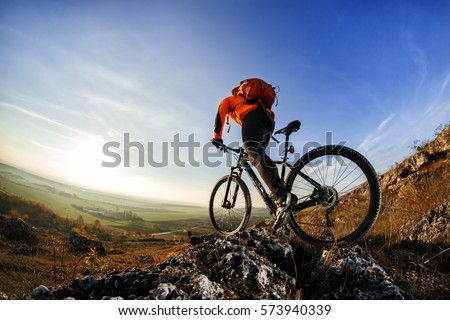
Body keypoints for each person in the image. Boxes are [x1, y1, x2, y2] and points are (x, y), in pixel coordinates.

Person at [211, 79, 297, 227]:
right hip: (268, 119)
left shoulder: (231, 100)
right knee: (260, 155)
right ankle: (279, 194)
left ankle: (281, 196)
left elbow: (220, 112)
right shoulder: (252, 102)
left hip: (254, 115)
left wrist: (217, 138)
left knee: (254, 153)